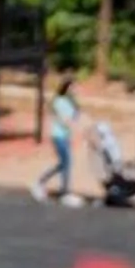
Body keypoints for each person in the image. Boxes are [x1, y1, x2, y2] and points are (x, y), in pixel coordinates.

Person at [32, 77, 83, 206]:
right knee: (66, 163)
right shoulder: (59, 101)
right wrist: (73, 123)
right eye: (73, 87)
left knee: (63, 163)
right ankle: (64, 192)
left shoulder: (70, 102)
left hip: (65, 136)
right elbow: (64, 120)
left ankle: (42, 182)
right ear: (66, 88)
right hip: (58, 136)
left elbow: (75, 117)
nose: (75, 90)